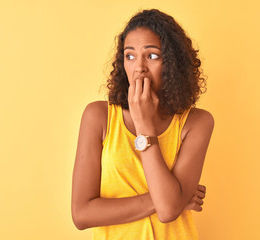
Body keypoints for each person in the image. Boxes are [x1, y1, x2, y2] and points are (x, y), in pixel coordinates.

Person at [71, 9, 214, 240]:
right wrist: (171, 198)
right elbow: (82, 214)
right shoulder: (98, 116)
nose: (139, 67)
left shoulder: (197, 123)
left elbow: (168, 212)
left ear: (172, 63)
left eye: (152, 56)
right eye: (130, 56)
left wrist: (143, 123)